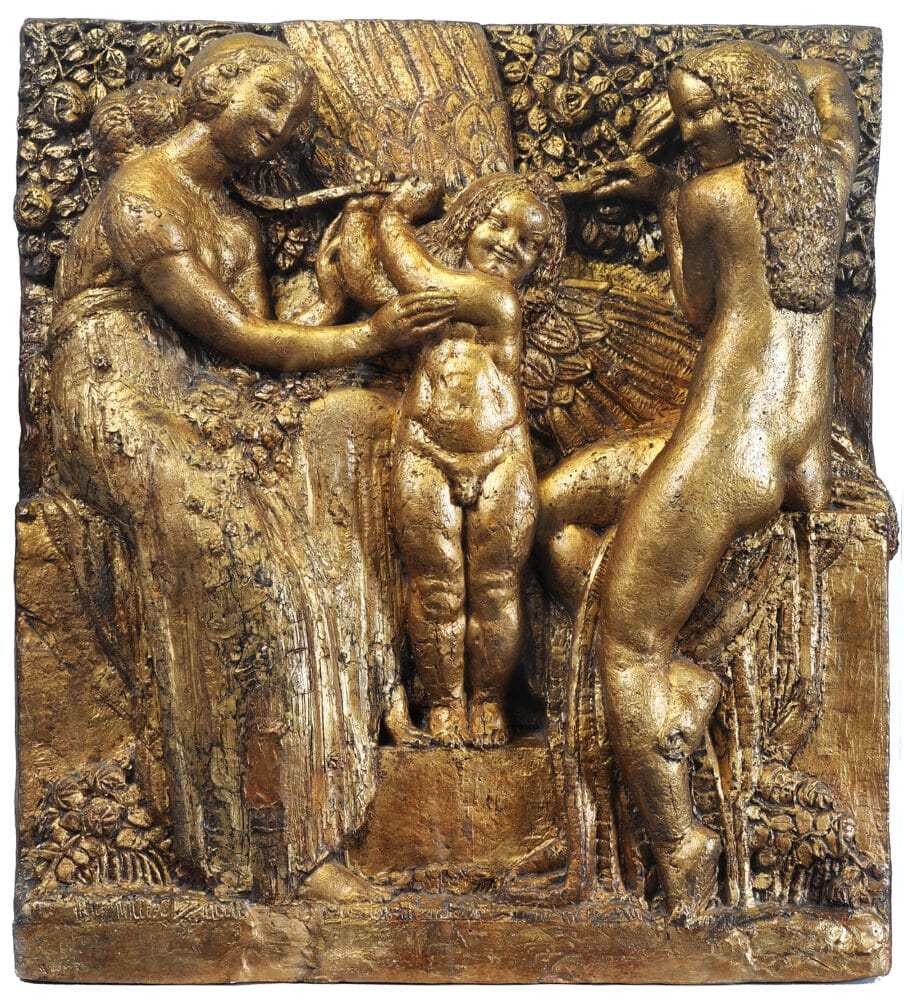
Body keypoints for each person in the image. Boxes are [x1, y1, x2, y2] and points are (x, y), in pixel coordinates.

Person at [49, 33, 456, 902]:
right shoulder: (141, 195)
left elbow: (264, 349)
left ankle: (345, 790)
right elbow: (234, 334)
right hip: (116, 397)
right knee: (257, 582)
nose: (281, 126)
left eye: (295, 118)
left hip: (206, 399)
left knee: (353, 459)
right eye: (270, 98)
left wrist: (343, 272)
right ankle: (266, 853)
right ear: (212, 85)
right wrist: (371, 334)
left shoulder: (236, 223)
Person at [537, 41, 859, 919]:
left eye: (703, 110)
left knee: (627, 644)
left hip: (724, 450)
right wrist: (768, 84)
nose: (692, 128)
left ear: (748, 109)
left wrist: (663, 200)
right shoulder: (826, 176)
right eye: (684, 114)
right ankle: (686, 679)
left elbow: (695, 307)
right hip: (797, 453)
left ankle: (683, 846)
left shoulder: (710, 196)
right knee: (558, 504)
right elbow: (832, 89)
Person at [370, 173, 565, 747]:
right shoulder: (435, 304)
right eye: (497, 224)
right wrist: (357, 222)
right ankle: (445, 702)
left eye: (529, 242)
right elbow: (375, 286)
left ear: (540, 265)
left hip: (501, 455)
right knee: (437, 586)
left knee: (496, 587)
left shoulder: (498, 300)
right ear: (467, 224)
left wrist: (393, 217)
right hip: (425, 450)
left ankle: (488, 701)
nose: (508, 244)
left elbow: (418, 275)